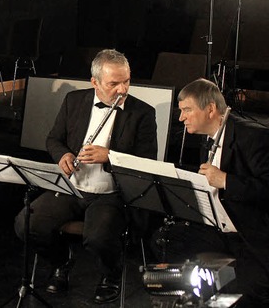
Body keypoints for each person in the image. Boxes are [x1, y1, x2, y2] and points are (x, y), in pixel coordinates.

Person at [14, 49, 157, 304]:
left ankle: (112, 273)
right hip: (73, 187)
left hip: (112, 193)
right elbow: (53, 139)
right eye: (114, 83)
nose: (123, 90)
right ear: (95, 82)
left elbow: (147, 163)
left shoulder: (143, 113)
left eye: (126, 81)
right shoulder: (74, 100)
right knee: (27, 224)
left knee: (99, 237)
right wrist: (63, 156)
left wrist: (109, 156)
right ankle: (62, 262)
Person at [150, 78, 269, 306]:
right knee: (163, 240)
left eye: (187, 110)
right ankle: (197, 294)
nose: (181, 117)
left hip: (249, 236)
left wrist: (227, 181)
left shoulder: (254, 137)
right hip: (217, 229)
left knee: (246, 291)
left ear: (211, 109)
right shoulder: (207, 139)